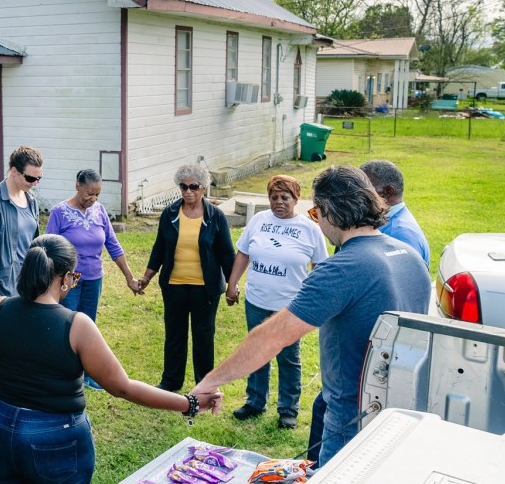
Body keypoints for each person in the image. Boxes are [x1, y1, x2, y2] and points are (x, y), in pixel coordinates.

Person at [0, 234, 209, 484]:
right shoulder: (76, 325)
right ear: (66, 278)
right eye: (74, 277)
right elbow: (122, 387)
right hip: (57, 440)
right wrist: (189, 402)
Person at [190, 165, 431, 467]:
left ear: (330, 211)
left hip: (351, 417)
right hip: (400, 411)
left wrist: (209, 382)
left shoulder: (342, 267)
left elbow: (272, 336)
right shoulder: (409, 255)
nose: (317, 223)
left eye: (316, 214)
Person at [225, 175, 329, 430]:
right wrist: (232, 283)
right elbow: (243, 253)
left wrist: (313, 298)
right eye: (273, 197)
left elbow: (320, 267)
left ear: (296, 198)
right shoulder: (259, 220)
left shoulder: (310, 229)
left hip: (290, 305)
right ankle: (256, 401)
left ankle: (287, 409)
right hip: (257, 299)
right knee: (257, 350)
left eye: (285, 197)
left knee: (288, 357)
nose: (279, 202)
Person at [137, 163, 236, 391]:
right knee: (174, 335)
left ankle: (205, 384)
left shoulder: (216, 217)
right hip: (174, 286)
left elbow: (226, 254)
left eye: (193, 187)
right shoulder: (170, 214)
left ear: (203, 188)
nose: (188, 192)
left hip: (205, 288)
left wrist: (232, 285)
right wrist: (147, 277)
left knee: (204, 336)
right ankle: (171, 381)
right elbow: (159, 248)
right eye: (183, 187)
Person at [45, 169, 142, 333]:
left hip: (94, 279)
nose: (93, 199)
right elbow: (48, 248)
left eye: (97, 195)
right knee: (66, 325)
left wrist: (129, 277)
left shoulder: (100, 210)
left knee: (87, 327)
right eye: (90, 193)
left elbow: (113, 245)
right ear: (78, 186)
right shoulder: (59, 212)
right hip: (69, 279)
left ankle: (84, 358)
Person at [0, 145, 43, 305]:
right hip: (2, 288)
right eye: (30, 178)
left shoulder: (31, 200)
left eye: (39, 178)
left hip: (27, 284)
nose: (34, 183)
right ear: (14, 171)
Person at [360, 159, 430, 265]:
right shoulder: (389, 221)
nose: (357, 195)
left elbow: (405, 279)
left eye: (364, 189)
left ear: (388, 192)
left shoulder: (400, 235)